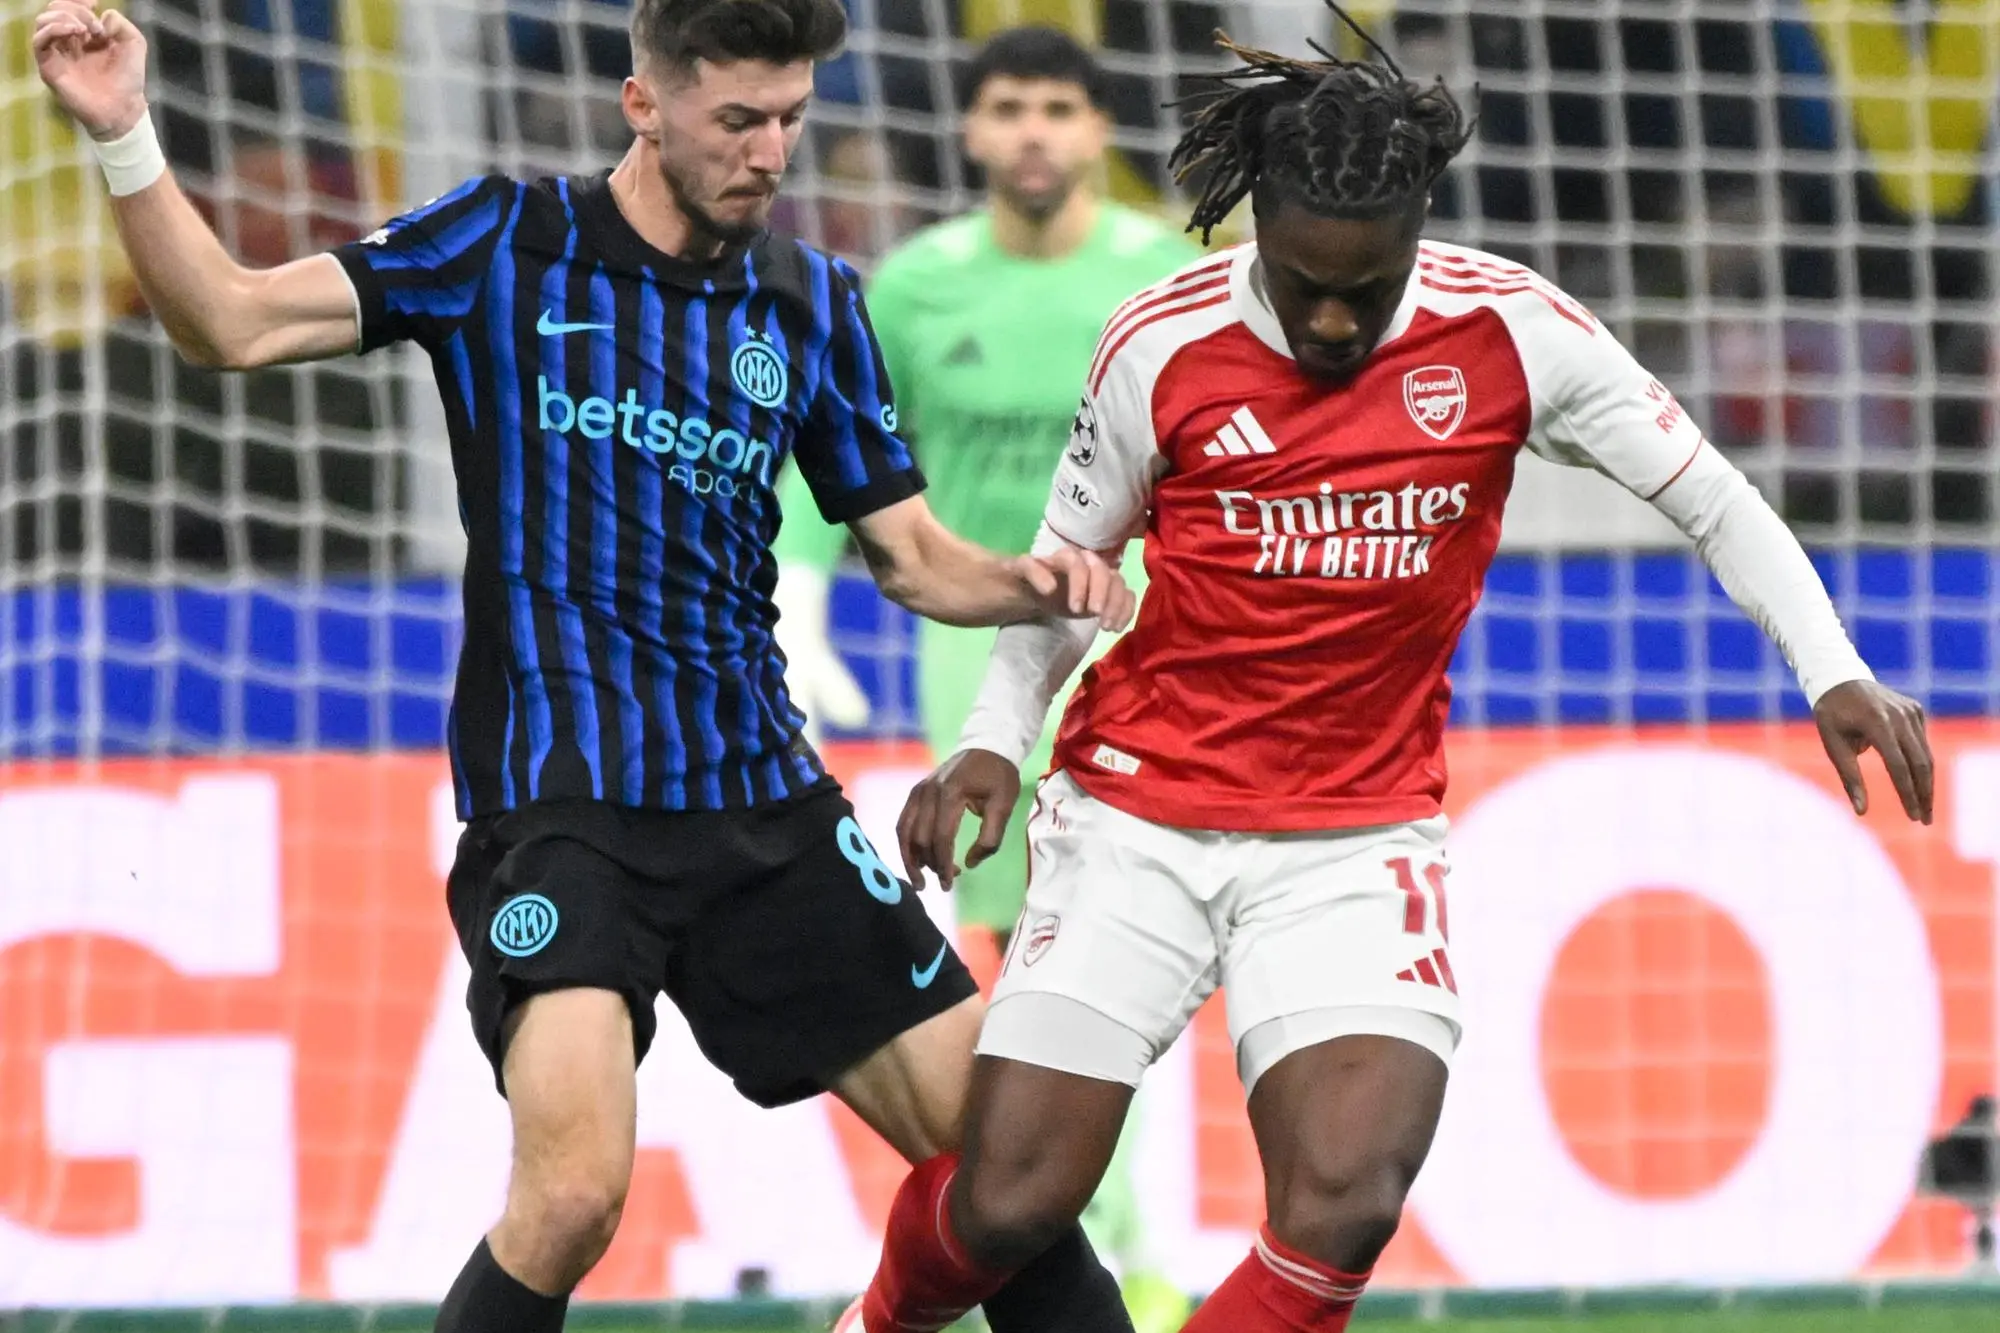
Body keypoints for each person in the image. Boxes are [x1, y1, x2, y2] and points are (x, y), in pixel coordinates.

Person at [32, 3, 1142, 1332]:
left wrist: (1040, 580)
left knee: (1009, 1179)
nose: (770, 152)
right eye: (738, 120)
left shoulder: (811, 301)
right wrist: (121, 137)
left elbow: (911, 559)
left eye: (790, 118)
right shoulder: (504, 242)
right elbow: (228, 323)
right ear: (645, 104)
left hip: (763, 808)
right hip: (562, 817)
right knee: (572, 1197)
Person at [840, 5, 1937, 1332]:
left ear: (1421, 231)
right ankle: (879, 1321)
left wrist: (1831, 667)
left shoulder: (1514, 334)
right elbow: (1061, 580)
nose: (1335, 317)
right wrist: (995, 744)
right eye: (1306, 284)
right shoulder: (1160, 344)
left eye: (1368, 287)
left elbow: (1713, 497)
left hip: (1355, 838)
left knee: (1347, 1199)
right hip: (1137, 813)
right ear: (1258, 230)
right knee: (1014, 1201)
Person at [774, 30, 1196, 1325]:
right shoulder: (910, 290)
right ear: (968, 133)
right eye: (1007, 107)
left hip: (1132, 647)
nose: (1031, 131)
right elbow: (826, 445)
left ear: (1096, 131)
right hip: (970, 660)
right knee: (1022, 959)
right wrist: (800, 589)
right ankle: (1086, 1251)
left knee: (1119, 955)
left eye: (1058, 108)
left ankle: (1129, 1253)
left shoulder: (1169, 279)